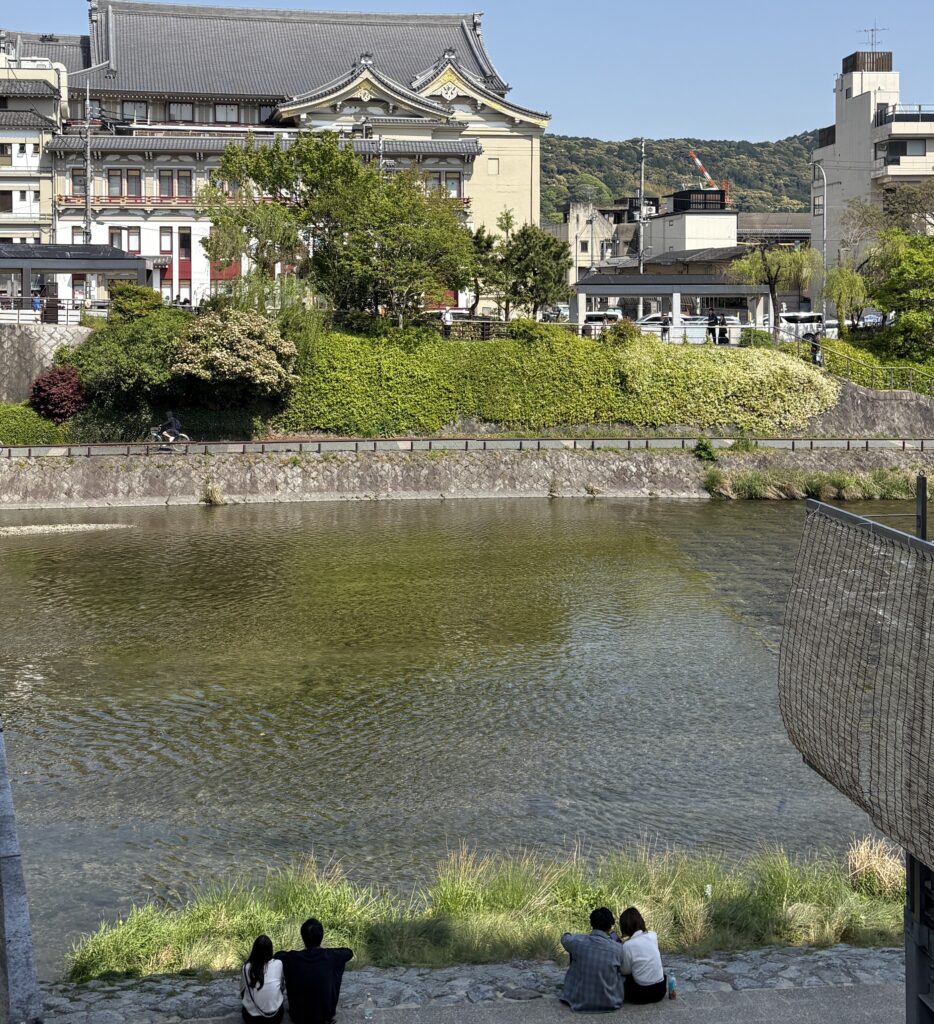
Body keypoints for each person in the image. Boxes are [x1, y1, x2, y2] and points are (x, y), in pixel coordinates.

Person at [276, 918, 353, 1024]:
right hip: (325, 1016)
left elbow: (278, 955)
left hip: (298, 1017)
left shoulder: (292, 958)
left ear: (303, 937)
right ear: (321, 936)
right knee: (336, 966)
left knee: (288, 966)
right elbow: (348, 952)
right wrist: (328, 951)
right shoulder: (331, 956)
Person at [560, 907, 625, 1012]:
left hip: (578, 1001)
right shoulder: (618, 948)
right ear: (610, 927)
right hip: (611, 1002)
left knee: (575, 953)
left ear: (591, 924)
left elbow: (564, 938)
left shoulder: (578, 942)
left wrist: (574, 935)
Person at [618, 907, 666, 1005]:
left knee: (623, 978)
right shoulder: (653, 935)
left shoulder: (628, 945)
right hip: (661, 990)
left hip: (641, 995)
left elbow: (625, 971)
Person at [241, 935, 285, 1023]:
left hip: (252, 1019)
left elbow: (242, 991)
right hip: (275, 1017)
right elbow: (281, 987)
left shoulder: (246, 967)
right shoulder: (278, 963)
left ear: (254, 950)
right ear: (271, 950)